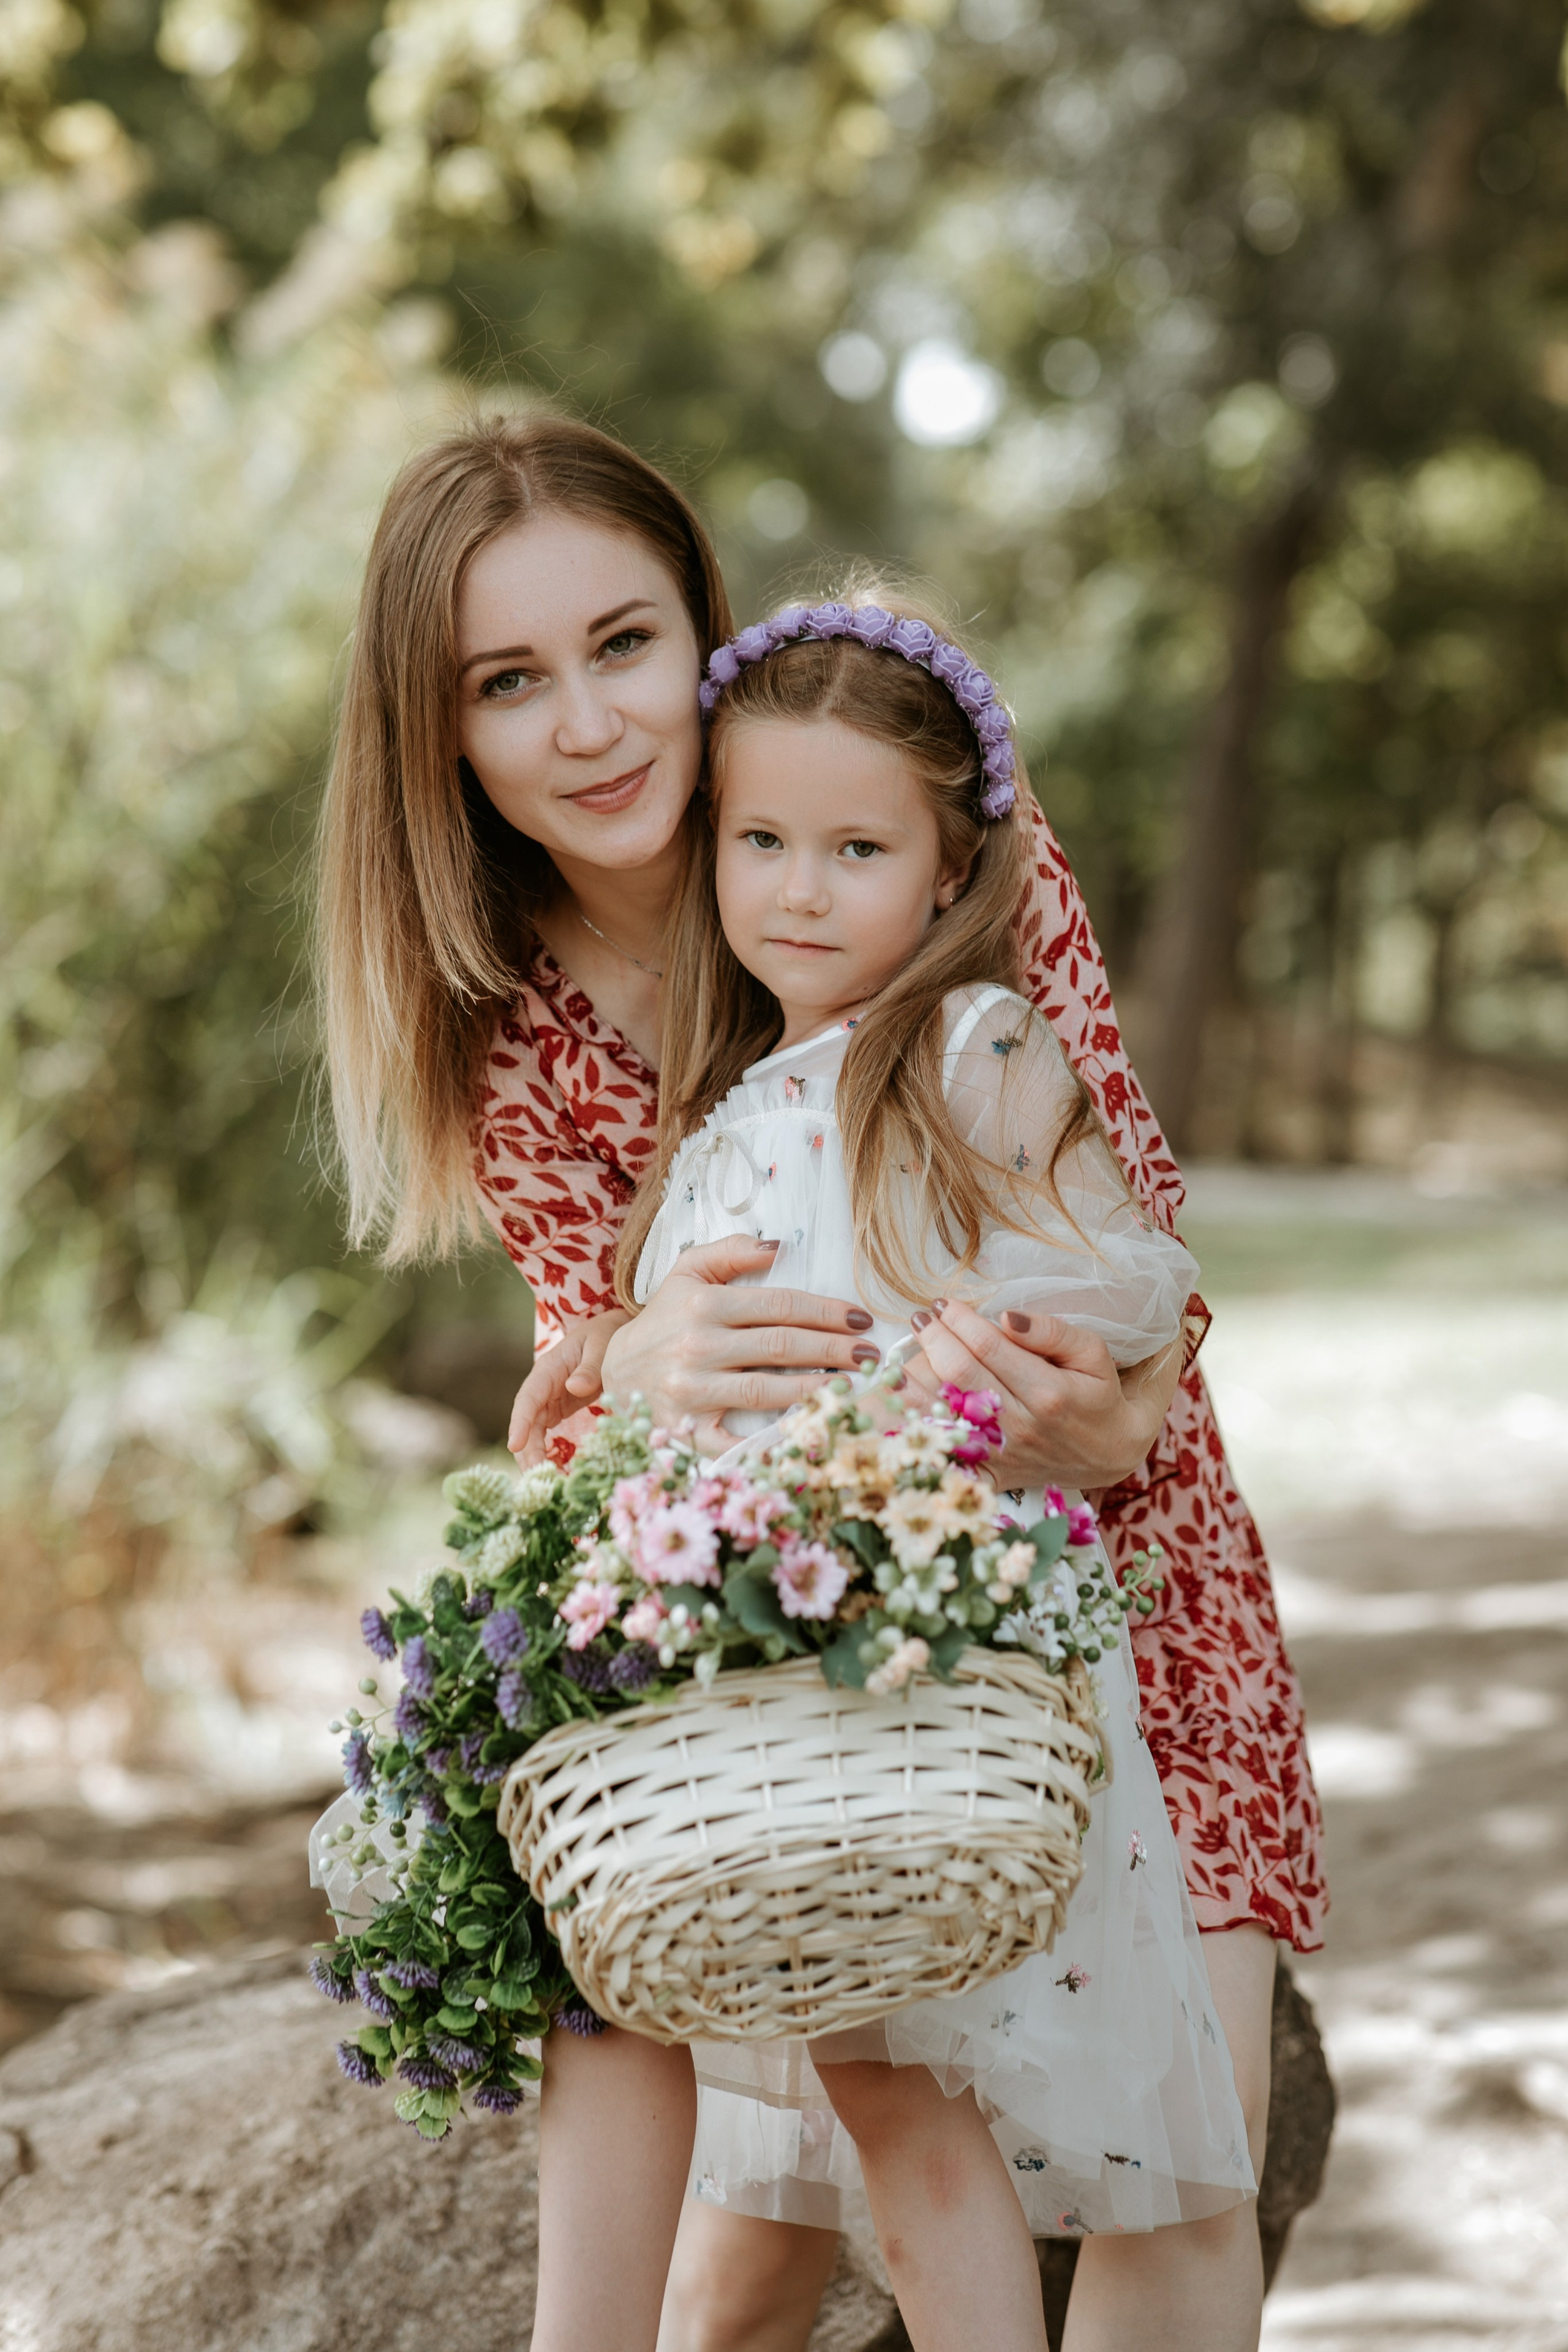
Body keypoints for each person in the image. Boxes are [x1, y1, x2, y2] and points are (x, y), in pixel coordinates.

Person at [317, 409, 1324, 2352]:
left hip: (1105, 1559)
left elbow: (1124, 1222)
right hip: (791, 1643)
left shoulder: (886, 809)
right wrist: (619, 1355)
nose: (592, 726)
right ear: (439, 735)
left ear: (701, 631)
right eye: (508, 685)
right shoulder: (505, 1030)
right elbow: (595, 1403)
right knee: (770, 2223)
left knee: (1188, 2179)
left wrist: (1106, 1419)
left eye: (624, 647)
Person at [608, 587, 1256, 2348]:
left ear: (950, 872)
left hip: (934, 1665)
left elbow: (1116, 1275)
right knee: (876, 2094)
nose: (798, 889)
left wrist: (932, 1393)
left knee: (908, 2090)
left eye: (854, 847)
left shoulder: (970, 1053)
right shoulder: (733, 1103)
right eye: (758, 839)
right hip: (775, 1684)